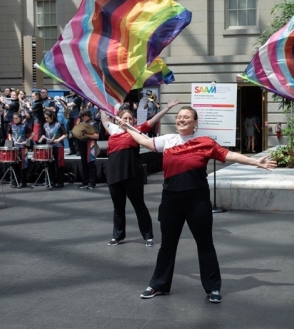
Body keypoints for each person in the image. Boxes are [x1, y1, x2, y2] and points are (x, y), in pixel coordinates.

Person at [122, 103, 277, 304]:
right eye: (179, 116)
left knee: (205, 245)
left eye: (186, 117)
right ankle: (158, 284)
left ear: (195, 122)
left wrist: (256, 162)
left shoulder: (205, 142)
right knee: (167, 245)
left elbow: (228, 155)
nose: (181, 119)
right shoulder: (168, 140)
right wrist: (127, 128)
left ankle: (213, 287)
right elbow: (145, 141)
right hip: (171, 200)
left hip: (198, 201)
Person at [99, 102, 177, 249]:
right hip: (114, 174)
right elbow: (104, 119)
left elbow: (153, 120)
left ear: (134, 121)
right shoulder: (113, 130)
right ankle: (117, 236)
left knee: (139, 206)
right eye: (125, 119)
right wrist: (101, 102)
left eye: (130, 119)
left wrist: (167, 108)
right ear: (118, 119)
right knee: (118, 208)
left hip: (132, 173)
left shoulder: (137, 130)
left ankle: (148, 236)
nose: (128, 121)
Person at [38, 111, 67, 188]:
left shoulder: (58, 124)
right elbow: (44, 134)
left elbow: (65, 134)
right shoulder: (45, 125)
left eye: (47, 118)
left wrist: (59, 139)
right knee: (50, 165)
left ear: (52, 117)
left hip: (58, 147)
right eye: (45, 118)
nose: (46, 119)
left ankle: (60, 182)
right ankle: (52, 181)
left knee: (59, 165)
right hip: (49, 147)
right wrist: (42, 138)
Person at [8, 112, 34, 188]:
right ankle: (16, 180)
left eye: (16, 118)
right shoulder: (11, 125)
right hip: (15, 148)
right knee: (15, 164)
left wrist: (27, 141)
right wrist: (10, 139)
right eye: (14, 118)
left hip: (23, 147)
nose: (15, 120)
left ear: (20, 118)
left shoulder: (24, 126)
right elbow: (9, 133)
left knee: (23, 165)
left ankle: (24, 181)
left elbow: (33, 134)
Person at [76, 109, 99, 189]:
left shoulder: (93, 124)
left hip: (91, 144)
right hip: (82, 144)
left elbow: (97, 136)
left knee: (91, 164)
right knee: (84, 164)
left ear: (86, 116)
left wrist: (87, 135)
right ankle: (85, 182)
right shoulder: (82, 123)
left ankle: (92, 183)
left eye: (83, 116)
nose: (82, 118)